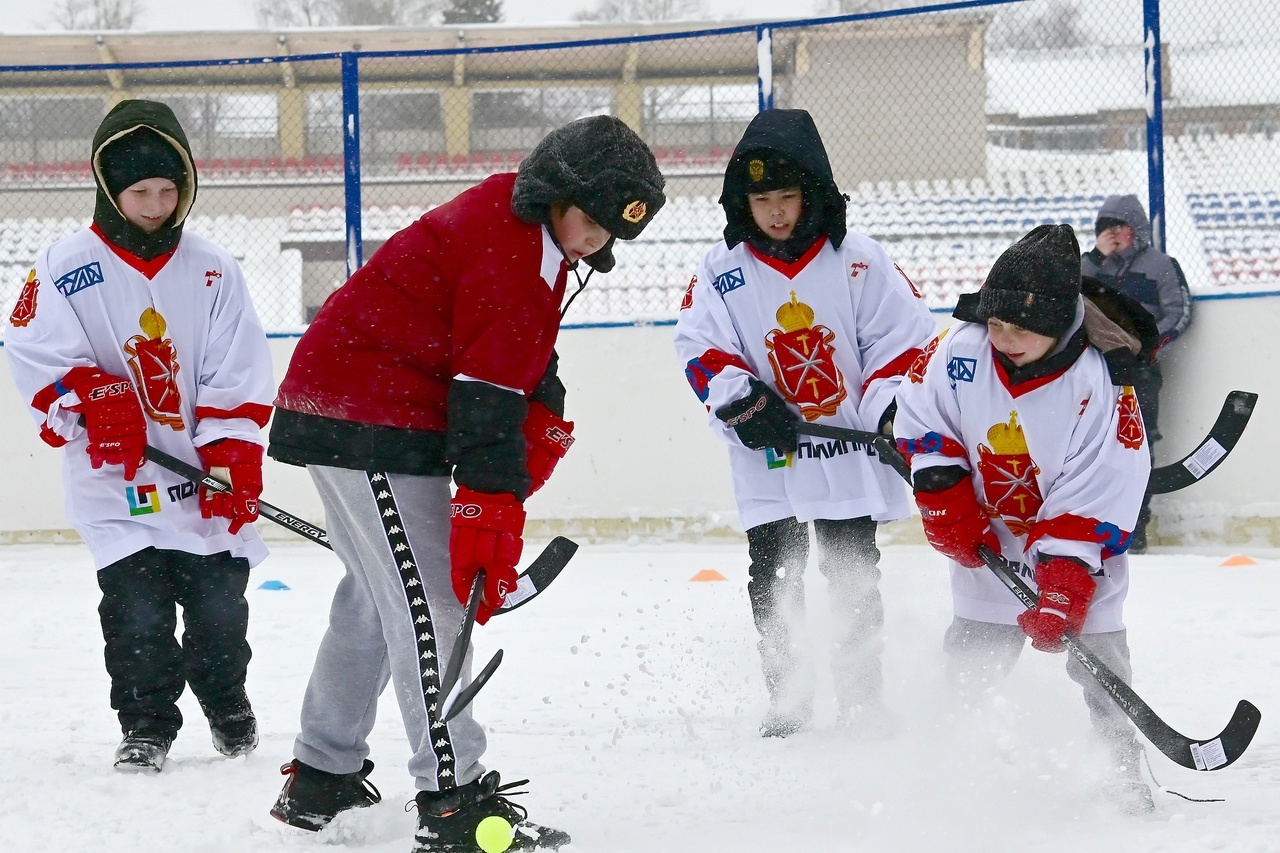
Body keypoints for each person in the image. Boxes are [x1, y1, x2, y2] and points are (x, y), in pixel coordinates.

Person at [264, 115, 665, 852]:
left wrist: (538, 414)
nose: (595, 241)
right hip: (369, 414)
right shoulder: (516, 246)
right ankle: (455, 798)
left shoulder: (519, 232)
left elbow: (505, 355)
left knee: (377, 595)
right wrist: (489, 502)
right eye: (592, 220)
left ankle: (322, 775)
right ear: (558, 191)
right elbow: (484, 395)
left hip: (361, 408)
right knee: (433, 606)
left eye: (611, 233)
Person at [4, 99, 274, 772]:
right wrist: (89, 393)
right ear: (109, 189)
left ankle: (227, 701)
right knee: (137, 617)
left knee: (218, 612)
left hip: (197, 477)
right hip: (116, 485)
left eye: (168, 189)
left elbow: (234, 363)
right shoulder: (65, 264)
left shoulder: (213, 267)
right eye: (139, 191)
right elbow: (30, 346)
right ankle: (147, 723)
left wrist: (233, 454)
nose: (156, 205)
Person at [673, 108, 936, 738]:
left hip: (845, 450)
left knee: (853, 571)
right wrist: (742, 402)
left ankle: (862, 696)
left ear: (812, 190)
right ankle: (789, 697)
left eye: (787, 196)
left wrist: (888, 411)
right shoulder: (720, 269)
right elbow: (699, 347)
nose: (776, 213)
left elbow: (903, 344)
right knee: (774, 575)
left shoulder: (860, 261)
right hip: (770, 455)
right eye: (761, 199)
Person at [894, 224, 1158, 814]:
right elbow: (919, 417)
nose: (1004, 338)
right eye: (996, 322)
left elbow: (1104, 481)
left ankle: (1122, 774)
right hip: (988, 542)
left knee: (1102, 668)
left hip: (1079, 558)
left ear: (1061, 322)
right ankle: (945, 772)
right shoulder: (958, 349)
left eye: (1022, 328)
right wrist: (942, 494)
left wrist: (1064, 583)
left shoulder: (1102, 381)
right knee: (969, 664)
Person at [1081, 194, 1192, 551]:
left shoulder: (1162, 265)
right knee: (1088, 442)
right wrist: (1096, 258)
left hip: (1139, 371)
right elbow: (1066, 304)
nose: (1111, 233)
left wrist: (1147, 350)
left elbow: (1179, 312)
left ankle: (1135, 528)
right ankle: (1089, 524)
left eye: (1119, 226)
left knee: (1137, 443)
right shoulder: (1085, 266)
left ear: (1138, 230)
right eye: (1104, 227)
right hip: (1091, 368)